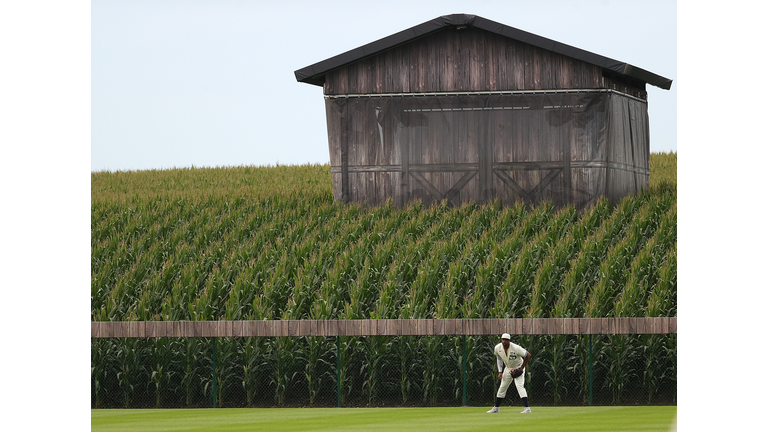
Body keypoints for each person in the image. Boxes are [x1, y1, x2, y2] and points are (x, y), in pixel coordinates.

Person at [486, 333, 532, 413]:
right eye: (503, 339)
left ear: (509, 341)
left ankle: (527, 408)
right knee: (502, 387)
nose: (504, 341)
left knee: (519, 386)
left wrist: (521, 368)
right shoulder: (498, 348)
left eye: (506, 340)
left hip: (518, 367)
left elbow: (528, 355)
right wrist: (500, 371)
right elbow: (499, 358)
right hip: (508, 368)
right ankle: (496, 408)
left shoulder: (516, 348)